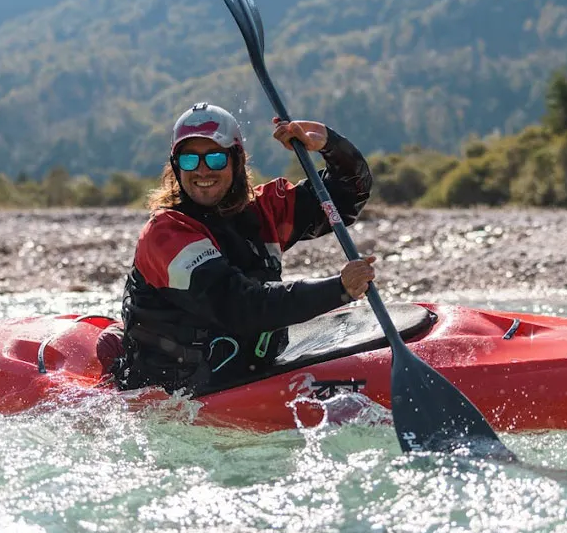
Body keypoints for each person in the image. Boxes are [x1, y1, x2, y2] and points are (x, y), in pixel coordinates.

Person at [105, 102, 375, 394]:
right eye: (189, 160)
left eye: (216, 158)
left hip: (246, 373)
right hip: (174, 390)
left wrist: (328, 143)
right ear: (175, 166)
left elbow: (347, 197)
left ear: (237, 160)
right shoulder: (165, 234)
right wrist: (340, 289)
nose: (202, 170)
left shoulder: (266, 211)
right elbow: (239, 307)